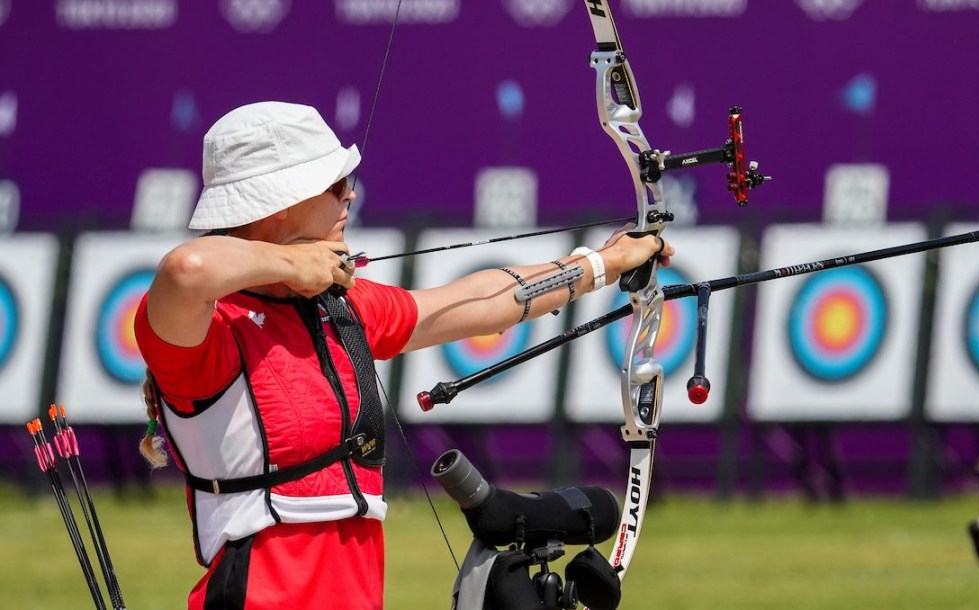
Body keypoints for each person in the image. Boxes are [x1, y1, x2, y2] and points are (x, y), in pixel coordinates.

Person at [133, 101, 673, 610]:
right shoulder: (206, 336)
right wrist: (292, 266)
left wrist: (603, 262)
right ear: (277, 206)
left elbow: (485, 301)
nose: (350, 194)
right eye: (332, 183)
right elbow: (188, 270)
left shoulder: (341, 310)